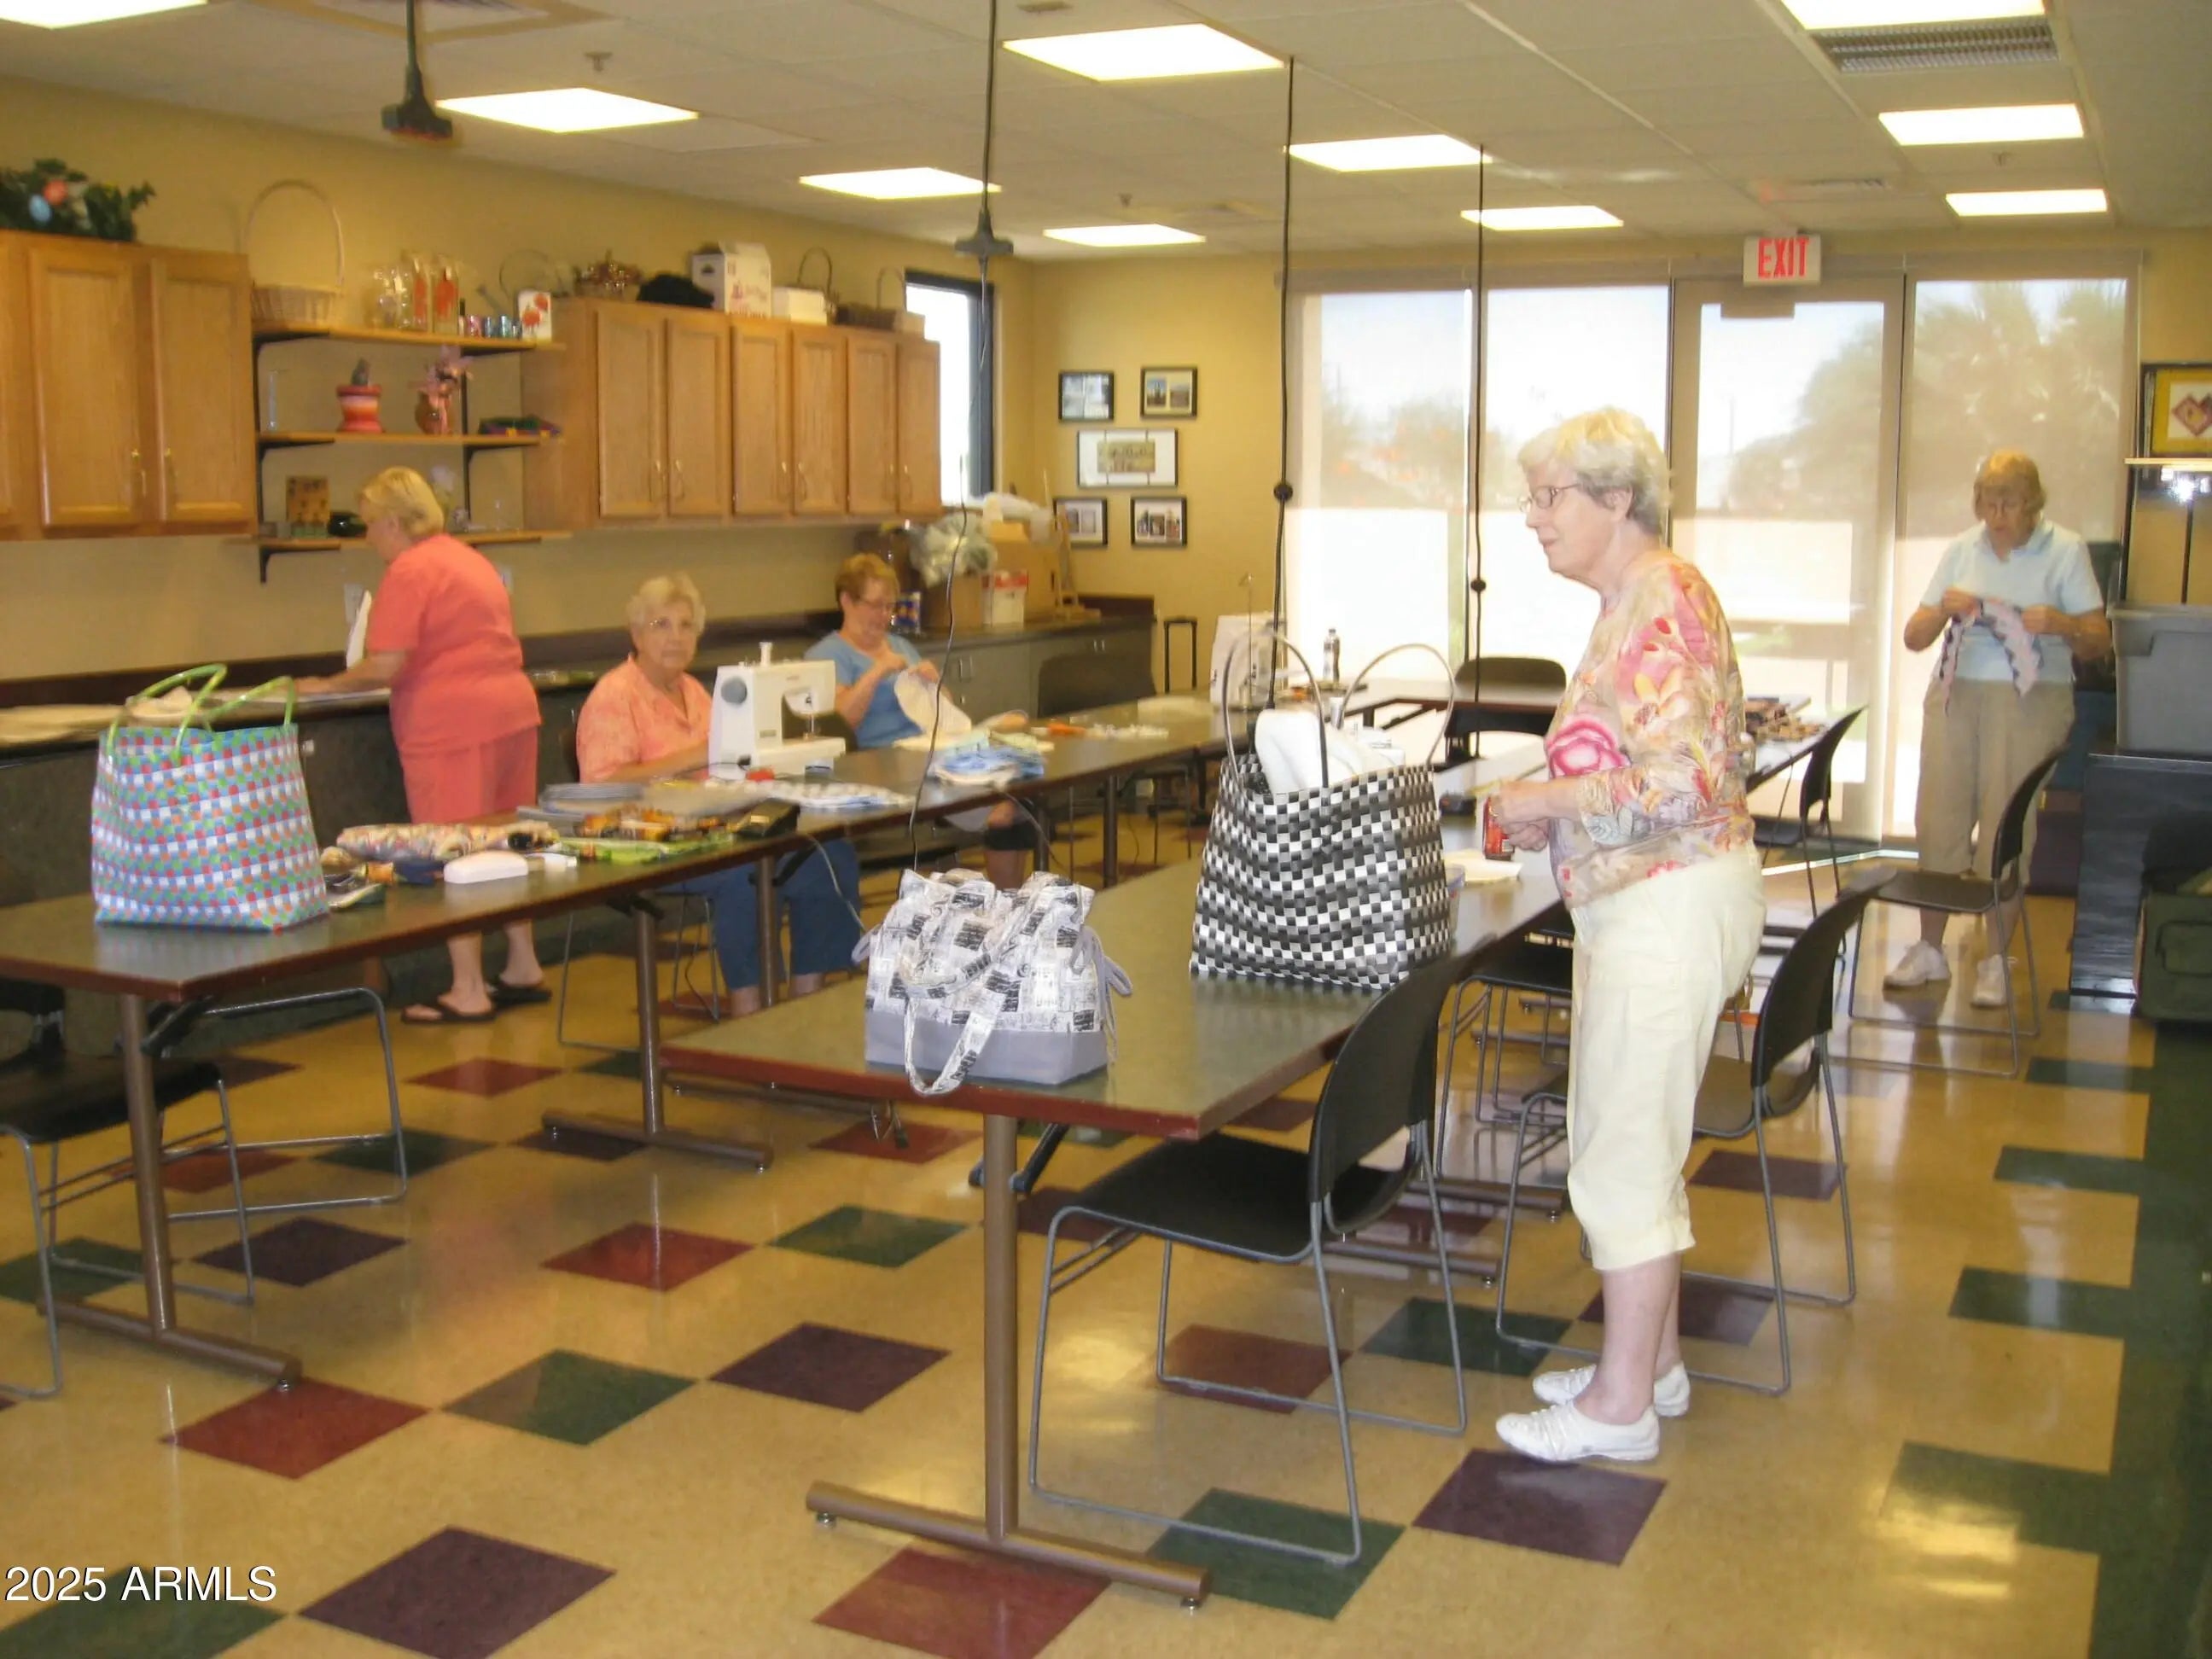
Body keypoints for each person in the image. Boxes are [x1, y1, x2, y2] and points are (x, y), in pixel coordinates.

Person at [1484, 408, 1767, 1464]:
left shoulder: (1660, 600)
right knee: (1639, 1143)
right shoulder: (1633, 600)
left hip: (1668, 903)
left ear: (1617, 499)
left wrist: (1543, 802)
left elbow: (1681, 782)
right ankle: (1656, 1366)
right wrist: (1553, 813)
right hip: (1653, 899)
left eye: (1550, 496)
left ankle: (1619, 1409)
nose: (1533, 518)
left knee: (1621, 1158)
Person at [299, 468, 546, 1025]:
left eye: (371, 524)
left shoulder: (410, 570)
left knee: (453, 851)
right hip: (512, 712)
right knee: (505, 845)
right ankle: (523, 963)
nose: (369, 537)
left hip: (452, 726)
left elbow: (386, 664)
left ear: (393, 522)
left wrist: (323, 686)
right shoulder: (468, 559)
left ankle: (468, 988)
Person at [573, 573, 860, 1014]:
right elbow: (601, 787)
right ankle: (751, 1010)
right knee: (745, 871)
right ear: (636, 634)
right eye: (661, 625)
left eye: (686, 625)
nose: (676, 637)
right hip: (649, 840)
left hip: (713, 824)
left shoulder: (695, 692)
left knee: (823, 852)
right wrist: (692, 757)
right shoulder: (615, 696)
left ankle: (808, 1000)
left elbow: (730, 759)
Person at [1888, 451, 2110, 1009]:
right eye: (1987, 503)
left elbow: (2099, 642)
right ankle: (1930, 949)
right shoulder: (1963, 549)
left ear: (2033, 503)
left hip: (2030, 700)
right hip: (1955, 695)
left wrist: (2060, 623)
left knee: (2006, 827)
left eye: (2008, 504)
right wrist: (1942, 611)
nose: (1996, 515)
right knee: (1937, 818)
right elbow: (1914, 637)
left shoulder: (2065, 550)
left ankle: (1995, 958)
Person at [806, 553, 1033, 889]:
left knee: (1016, 738)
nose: (884, 615)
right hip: (885, 768)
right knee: (1004, 810)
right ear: (847, 602)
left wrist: (935, 685)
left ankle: (1012, 899)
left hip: (930, 752)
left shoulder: (899, 645)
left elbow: (944, 712)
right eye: (876, 605)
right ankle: (1007, 899)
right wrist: (877, 671)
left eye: (890, 607)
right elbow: (842, 721)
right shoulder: (827, 656)